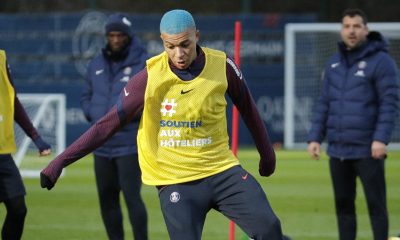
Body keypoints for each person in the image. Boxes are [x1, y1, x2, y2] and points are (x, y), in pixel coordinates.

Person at [41, 9, 285, 239]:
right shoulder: (149, 76)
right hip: (175, 180)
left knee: (270, 229)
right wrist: (59, 162)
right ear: (162, 42)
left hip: (222, 171)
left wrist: (267, 155)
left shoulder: (222, 65)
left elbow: (249, 109)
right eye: (171, 46)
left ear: (196, 36)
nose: (179, 54)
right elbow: (106, 125)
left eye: (185, 44)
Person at [307, 8, 399, 240]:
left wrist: (380, 138)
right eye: (347, 26)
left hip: (368, 148)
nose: (351, 31)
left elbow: (390, 103)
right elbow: (324, 103)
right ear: (341, 30)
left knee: (376, 206)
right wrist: (315, 137)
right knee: (343, 207)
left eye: (357, 26)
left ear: (366, 30)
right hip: (338, 150)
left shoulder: (382, 62)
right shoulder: (333, 64)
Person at [80, 13, 148, 240]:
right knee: (107, 201)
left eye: (120, 35)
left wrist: (130, 117)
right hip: (101, 145)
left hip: (129, 144)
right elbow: (86, 94)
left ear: (128, 36)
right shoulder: (96, 62)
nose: (116, 39)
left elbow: (149, 99)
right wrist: (91, 112)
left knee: (132, 197)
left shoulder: (143, 62)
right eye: (111, 35)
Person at [0, 49, 51, 240]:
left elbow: (11, 99)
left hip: (2, 153)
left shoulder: (1, 57)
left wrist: (35, 136)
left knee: (18, 208)